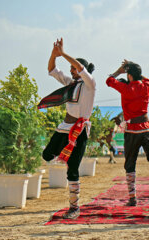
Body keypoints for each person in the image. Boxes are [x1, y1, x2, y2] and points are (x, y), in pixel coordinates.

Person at [40, 38, 96, 219]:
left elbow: (79, 68)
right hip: (64, 128)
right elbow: (51, 70)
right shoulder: (70, 84)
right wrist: (54, 54)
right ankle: (64, 152)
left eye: (73, 68)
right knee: (46, 155)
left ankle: (74, 207)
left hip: (79, 131)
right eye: (71, 69)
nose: (71, 70)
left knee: (72, 169)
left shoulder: (90, 84)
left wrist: (63, 54)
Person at [106, 60, 149, 206]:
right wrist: (133, 70)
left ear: (129, 76)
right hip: (146, 127)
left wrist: (119, 71)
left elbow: (108, 80)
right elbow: (146, 79)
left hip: (132, 130)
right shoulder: (147, 86)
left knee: (130, 164)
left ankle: (132, 198)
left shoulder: (125, 88)